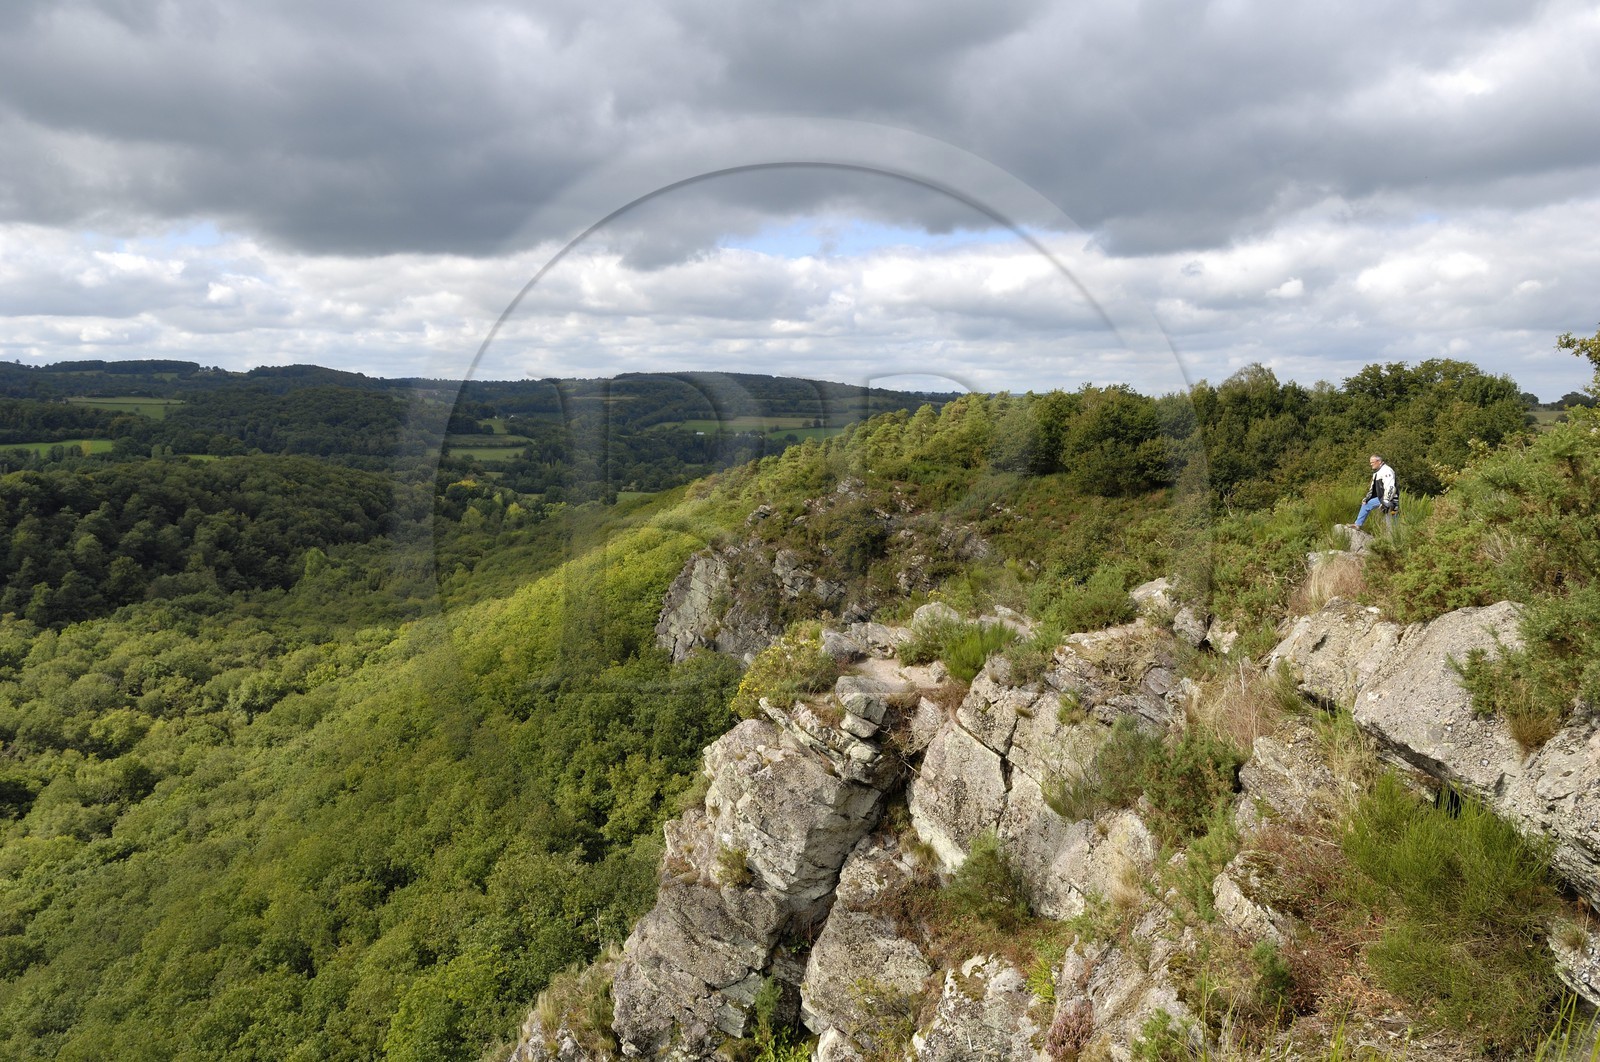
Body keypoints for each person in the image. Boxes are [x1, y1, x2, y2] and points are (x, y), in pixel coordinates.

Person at [1351, 454, 1398, 530]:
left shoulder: (1387, 470)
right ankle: (1357, 524)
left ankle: (1395, 535)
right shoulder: (1376, 473)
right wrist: (1367, 498)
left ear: (1379, 461)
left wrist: (1386, 502)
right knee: (1366, 504)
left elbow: (1390, 487)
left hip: (1391, 499)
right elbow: (1372, 489)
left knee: (1392, 520)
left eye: (1372, 462)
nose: (1371, 464)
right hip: (1380, 498)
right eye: (1370, 462)